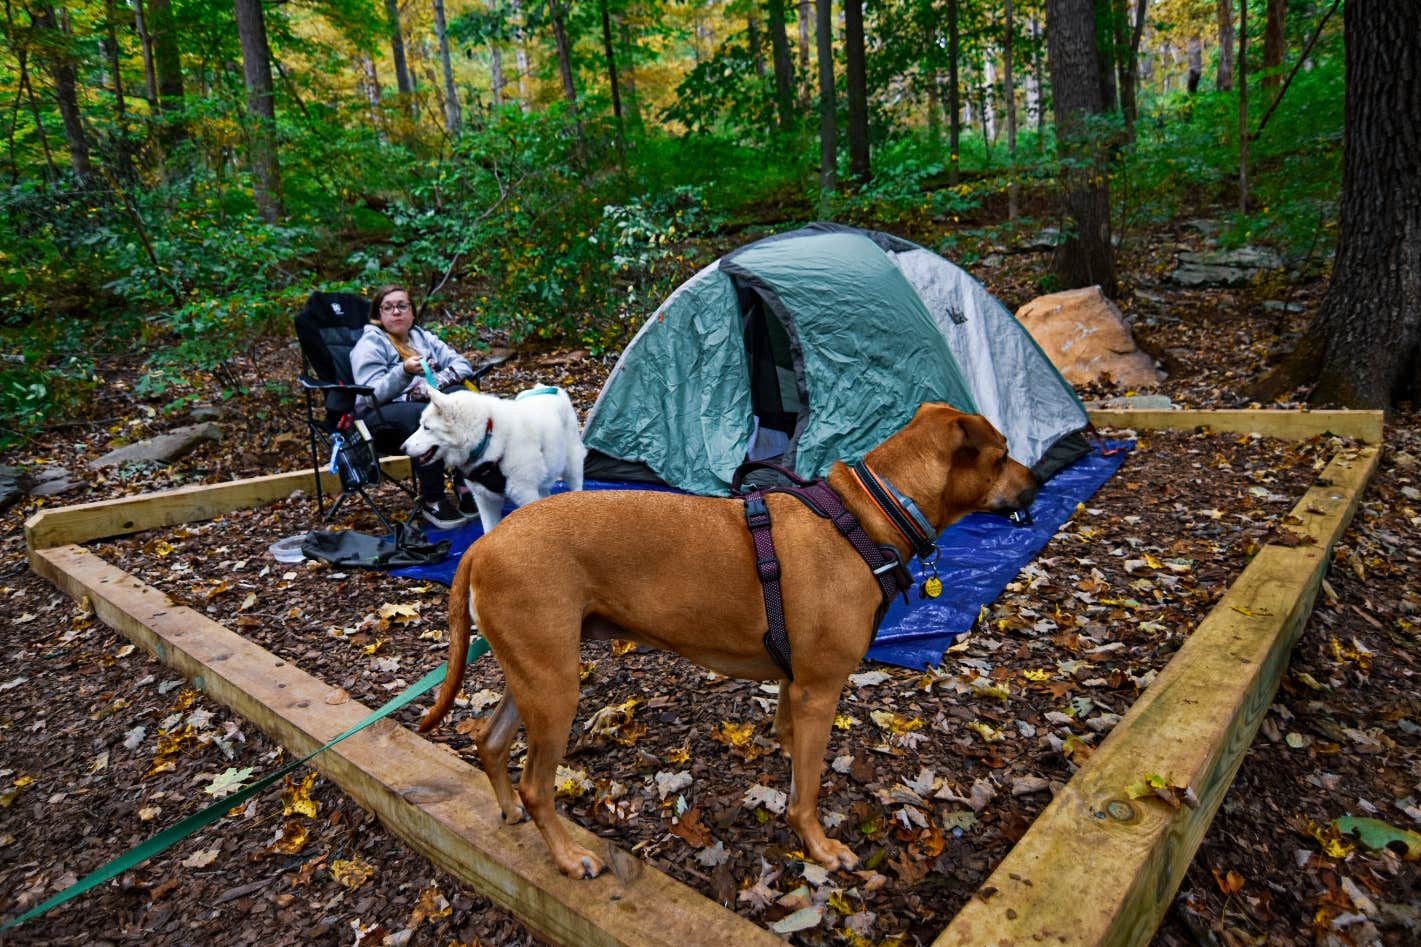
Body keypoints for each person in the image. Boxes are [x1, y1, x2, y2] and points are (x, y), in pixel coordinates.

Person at [350, 284, 478, 529]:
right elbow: (369, 394)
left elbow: (462, 364)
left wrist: (436, 383)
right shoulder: (371, 344)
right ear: (378, 316)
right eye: (388, 308)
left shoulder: (422, 337)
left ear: (412, 313)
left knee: (460, 399)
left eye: (402, 306)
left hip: (422, 405)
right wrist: (404, 372)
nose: (396, 312)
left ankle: (465, 484)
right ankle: (433, 499)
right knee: (423, 416)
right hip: (379, 417)